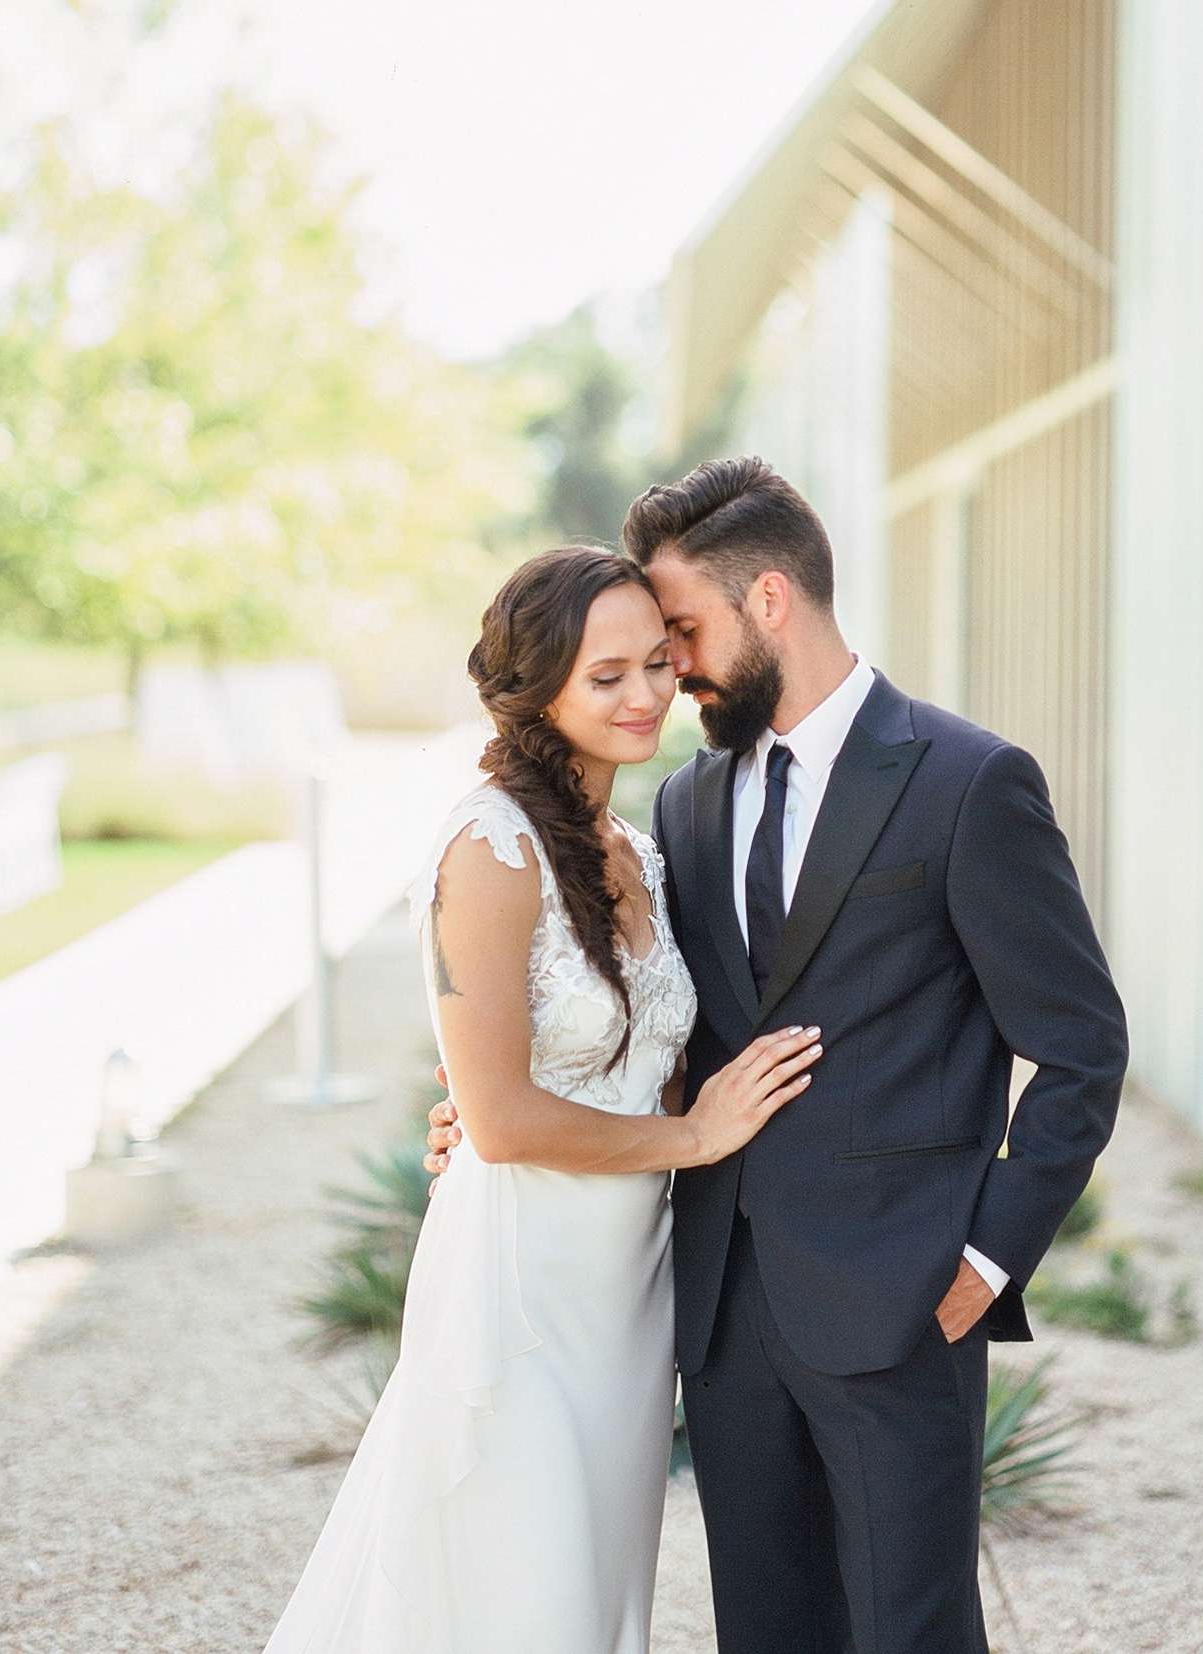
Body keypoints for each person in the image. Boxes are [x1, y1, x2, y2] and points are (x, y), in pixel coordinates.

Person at [426, 458, 1130, 1652]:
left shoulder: (968, 782)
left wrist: (985, 1257)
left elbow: (1080, 1048)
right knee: (767, 1629)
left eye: (680, 635)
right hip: (714, 1312)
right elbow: (660, 1028)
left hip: (905, 1301)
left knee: (912, 1630)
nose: (668, 671)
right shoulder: (686, 808)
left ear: (766, 604)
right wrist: (490, 1112)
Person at [261, 546, 823, 1654]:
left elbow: (633, 1064)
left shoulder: (643, 853)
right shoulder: (489, 844)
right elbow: (507, 1120)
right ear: (539, 688)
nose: (646, 695)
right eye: (605, 674)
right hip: (520, 1284)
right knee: (524, 1586)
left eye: (659, 664)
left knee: (600, 1578)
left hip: (630, 1283)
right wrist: (698, 1133)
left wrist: (674, 1123)